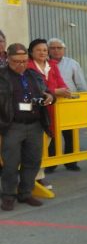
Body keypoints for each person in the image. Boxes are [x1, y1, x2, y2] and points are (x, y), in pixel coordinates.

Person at [1, 43, 56, 210]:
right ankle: (8, 195)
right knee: (10, 163)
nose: (21, 64)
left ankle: (25, 193)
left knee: (33, 160)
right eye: (17, 61)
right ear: (8, 59)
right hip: (12, 125)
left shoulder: (34, 75)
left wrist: (49, 96)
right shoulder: (2, 76)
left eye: (24, 60)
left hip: (35, 124)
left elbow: (48, 92)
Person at [28, 39, 70, 182]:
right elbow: (36, 88)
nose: (42, 52)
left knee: (46, 143)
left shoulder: (52, 65)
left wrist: (64, 90)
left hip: (52, 109)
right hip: (35, 111)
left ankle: (38, 176)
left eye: (45, 50)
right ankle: (35, 178)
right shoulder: (28, 66)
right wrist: (56, 91)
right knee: (36, 146)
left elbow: (61, 82)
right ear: (31, 52)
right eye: (39, 50)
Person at [47, 38, 87, 171]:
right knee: (51, 135)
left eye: (59, 48)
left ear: (64, 49)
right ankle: (51, 163)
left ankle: (71, 162)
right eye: (53, 48)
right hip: (51, 104)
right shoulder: (43, 63)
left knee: (70, 134)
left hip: (69, 105)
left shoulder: (72, 64)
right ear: (48, 50)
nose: (56, 50)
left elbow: (81, 85)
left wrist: (82, 103)